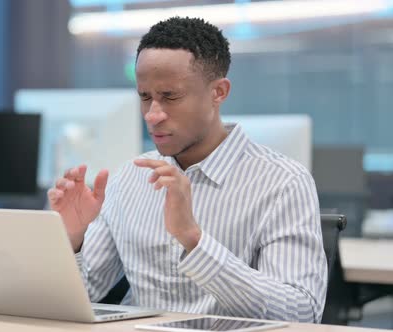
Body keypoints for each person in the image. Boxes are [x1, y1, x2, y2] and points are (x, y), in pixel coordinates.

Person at [47, 17, 326, 323]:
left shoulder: (283, 183)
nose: (152, 115)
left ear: (218, 92)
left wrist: (194, 240)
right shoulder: (129, 178)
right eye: (145, 97)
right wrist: (72, 239)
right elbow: (85, 294)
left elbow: (301, 313)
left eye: (170, 96)